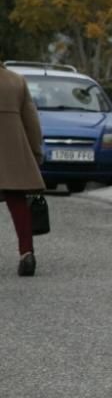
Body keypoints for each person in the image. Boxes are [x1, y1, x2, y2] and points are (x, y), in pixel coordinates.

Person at [0, 62, 45, 276]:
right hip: (12, 151)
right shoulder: (16, 81)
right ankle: (27, 253)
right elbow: (31, 121)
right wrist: (36, 153)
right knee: (18, 201)